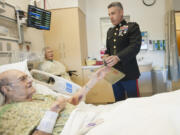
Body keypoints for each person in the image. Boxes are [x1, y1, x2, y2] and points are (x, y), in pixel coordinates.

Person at [0, 66, 110, 135]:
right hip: (76, 128)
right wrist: (53, 112)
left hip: (90, 120)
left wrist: (94, 79)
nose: (31, 80)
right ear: (7, 89)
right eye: (23, 79)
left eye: (27, 77)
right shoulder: (7, 114)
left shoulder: (40, 97)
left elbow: (74, 101)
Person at [104, 2, 142, 101]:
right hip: (114, 75)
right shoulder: (110, 31)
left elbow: (135, 47)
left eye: (113, 13)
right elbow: (108, 50)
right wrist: (106, 56)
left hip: (129, 74)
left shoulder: (132, 26)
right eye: (109, 14)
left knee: (134, 103)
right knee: (118, 102)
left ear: (121, 12)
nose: (110, 17)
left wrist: (117, 57)